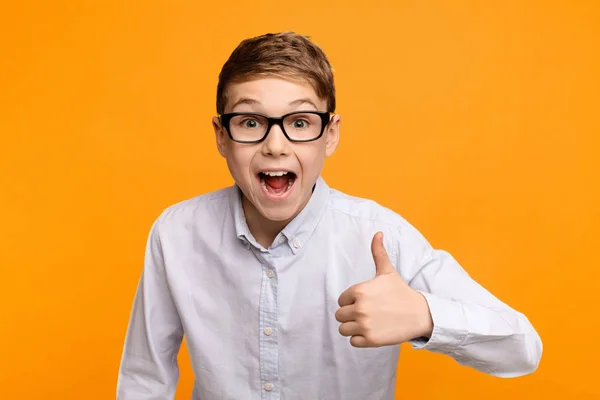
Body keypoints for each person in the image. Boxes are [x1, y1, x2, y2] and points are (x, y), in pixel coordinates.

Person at [116, 31, 542, 400]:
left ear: (330, 134)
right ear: (222, 136)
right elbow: (144, 378)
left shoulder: (380, 236)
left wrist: (424, 317)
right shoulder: (175, 234)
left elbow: (522, 348)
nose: (276, 146)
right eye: (250, 122)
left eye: (300, 122)